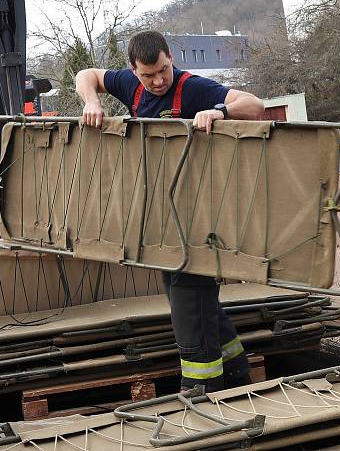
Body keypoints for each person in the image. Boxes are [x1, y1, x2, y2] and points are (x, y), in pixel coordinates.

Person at [75, 30, 264, 392]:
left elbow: (255, 106)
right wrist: (91, 103)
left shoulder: (192, 88)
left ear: (170, 58)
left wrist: (219, 110)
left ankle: (202, 390)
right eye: (149, 75)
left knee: (188, 301)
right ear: (134, 70)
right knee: (199, 300)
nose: (159, 80)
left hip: (197, 218)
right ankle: (237, 370)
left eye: (163, 69)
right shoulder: (128, 84)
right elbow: (87, 76)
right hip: (161, 216)